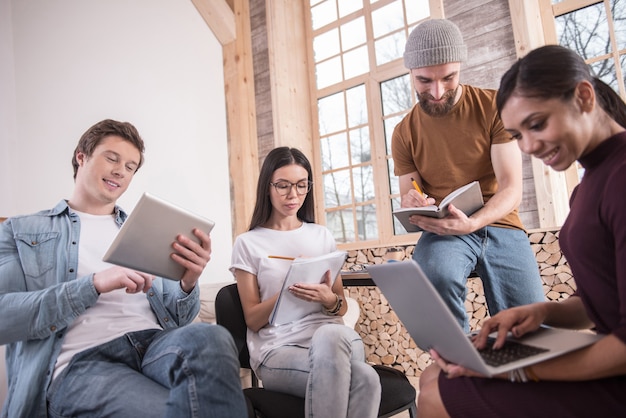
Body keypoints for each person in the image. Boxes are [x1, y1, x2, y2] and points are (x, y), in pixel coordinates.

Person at [417, 44, 626, 417]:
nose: (528, 146)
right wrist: (541, 311)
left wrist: (520, 370)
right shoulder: (590, 183)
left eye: (537, 124)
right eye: (517, 135)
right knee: (432, 375)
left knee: (437, 394)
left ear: (583, 96)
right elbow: (600, 302)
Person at [0, 119, 247, 418]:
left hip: (155, 346)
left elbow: (179, 321)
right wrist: (93, 285)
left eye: (130, 166)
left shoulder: (147, 228)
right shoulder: (23, 231)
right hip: (83, 363)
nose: (121, 170)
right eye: (112, 158)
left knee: (213, 337)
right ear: (82, 156)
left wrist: (188, 282)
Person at [391, 19, 545, 331]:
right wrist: (412, 199)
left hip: (501, 223)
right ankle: (462, 364)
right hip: (444, 228)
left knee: (532, 322)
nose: (436, 92)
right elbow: (410, 194)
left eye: (448, 78)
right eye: (424, 80)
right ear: (410, 73)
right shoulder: (403, 133)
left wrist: (473, 222)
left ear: (460, 67)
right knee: (433, 277)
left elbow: (511, 188)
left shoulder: (493, 107)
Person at [230, 147, 382, 418]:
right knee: (366, 379)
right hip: (278, 350)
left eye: (302, 186)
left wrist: (328, 300)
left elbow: (341, 308)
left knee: (331, 334)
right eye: (283, 186)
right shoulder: (248, 243)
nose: (294, 195)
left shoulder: (321, 236)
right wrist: (288, 289)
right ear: (267, 186)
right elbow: (252, 320)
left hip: (335, 341)